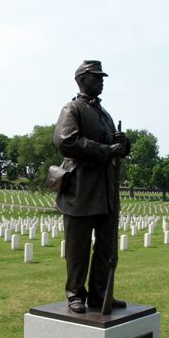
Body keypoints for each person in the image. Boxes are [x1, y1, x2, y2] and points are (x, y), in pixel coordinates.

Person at [53, 60, 130, 314]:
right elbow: (66, 141)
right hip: (81, 191)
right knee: (78, 247)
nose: (101, 80)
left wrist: (122, 145)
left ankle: (100, 294)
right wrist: (106, 150)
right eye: (96, 77)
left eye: (102, 77)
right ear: (82, 79)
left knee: (106, 248)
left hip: (105, 191)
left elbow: (114, 148)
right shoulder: (72, 109)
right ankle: (76, 293)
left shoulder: (104, 114)